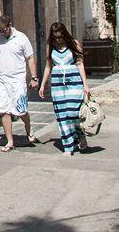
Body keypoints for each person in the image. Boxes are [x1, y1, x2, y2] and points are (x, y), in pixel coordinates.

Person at [0, 15, 39, 152]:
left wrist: (33, 77)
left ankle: (28, 126)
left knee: (20, 110)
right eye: (0, 31)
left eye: (4, 30)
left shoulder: (21, 38)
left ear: (10, 25)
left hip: (18, 79)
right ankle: (10, 141)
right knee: (3, 110)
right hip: (1, 79)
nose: (2, 33)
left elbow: (30, 58)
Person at [38, 21, 90, 156]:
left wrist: (86, 85)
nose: (58, 40)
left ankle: (80, 135)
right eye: (55, 37)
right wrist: (43, 84)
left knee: (73, 112)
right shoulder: (51, 46)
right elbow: (48, 66)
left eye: (60, 37)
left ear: (65, 35)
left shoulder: (74, 44)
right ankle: (68, 146)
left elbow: (80, 64)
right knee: (62, 115)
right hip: (57, 84)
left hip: (74, 82)